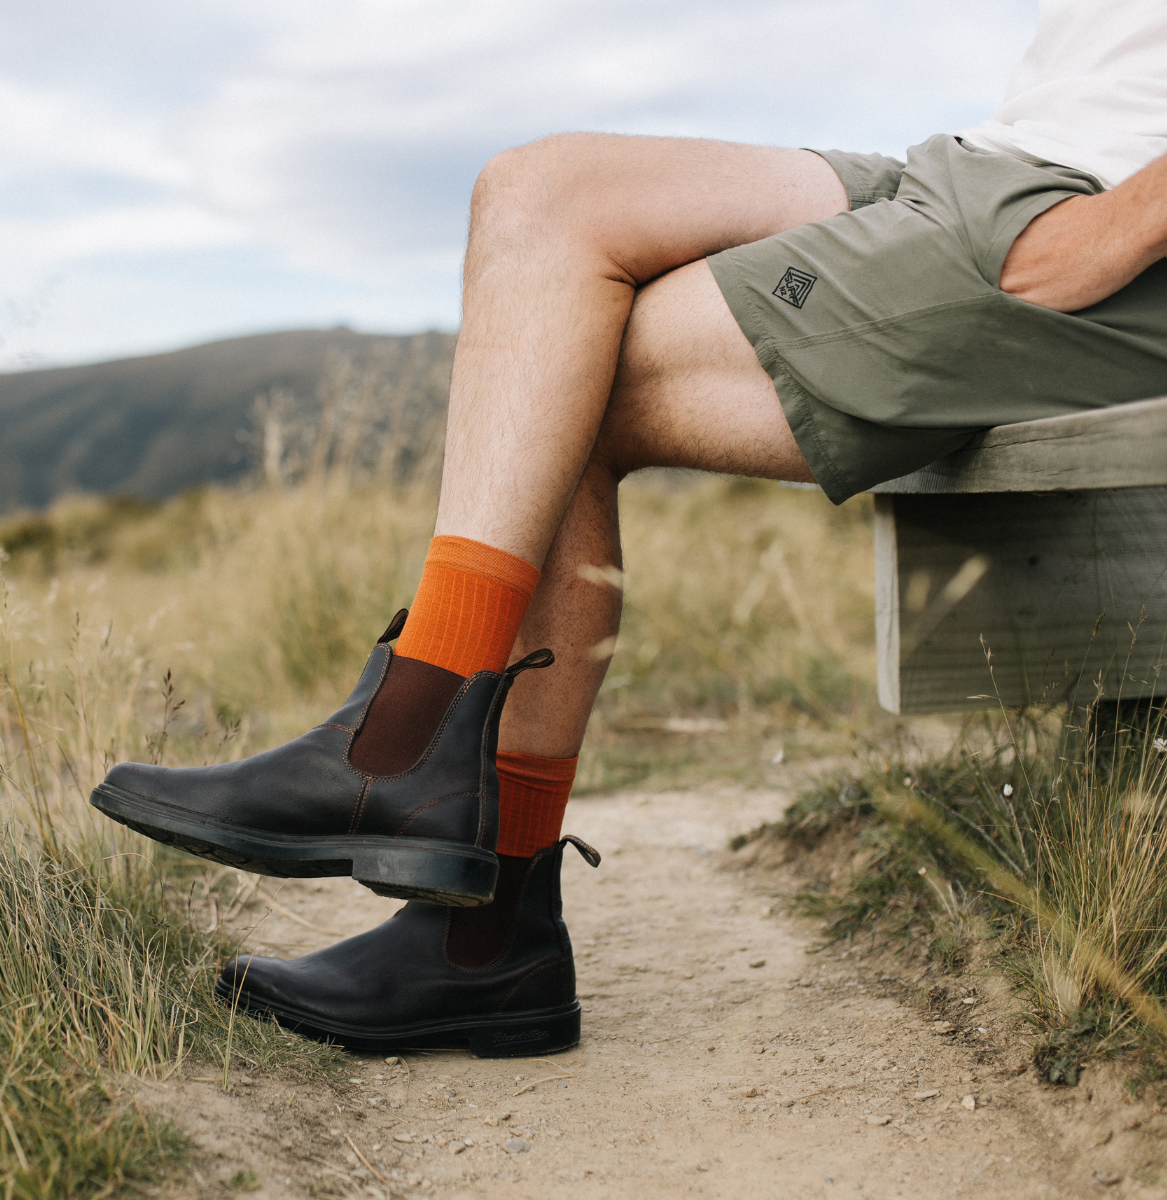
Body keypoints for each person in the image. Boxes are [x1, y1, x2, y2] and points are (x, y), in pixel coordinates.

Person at [91, 0, 1167, 1057]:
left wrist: (1118, 230)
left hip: (1105, 216)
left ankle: (455, 865)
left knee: (563, 381)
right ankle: (452, 859)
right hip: (994, 166)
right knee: (541, 191)